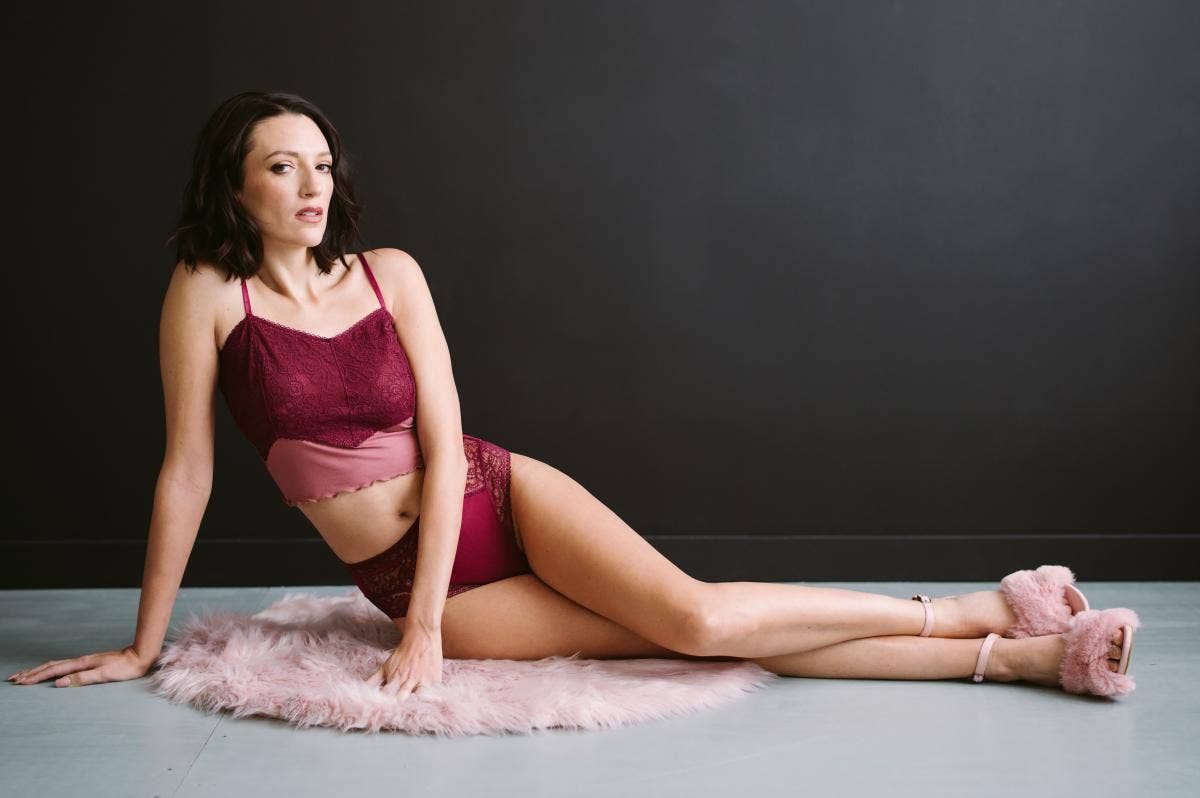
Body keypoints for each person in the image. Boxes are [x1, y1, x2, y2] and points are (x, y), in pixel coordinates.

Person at [8, 92, 1138, 701]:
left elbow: (443, 442)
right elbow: (186, 473)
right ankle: (1021, 652)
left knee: (696, 618)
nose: (313, 184)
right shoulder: (210, 293)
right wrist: (143, 645)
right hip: (401, 566)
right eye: (281, 165)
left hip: (493, 492)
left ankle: (970, 612)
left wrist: (427, 627)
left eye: (322, 162)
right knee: (693, 646)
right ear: (235, 185)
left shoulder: (390, 273)